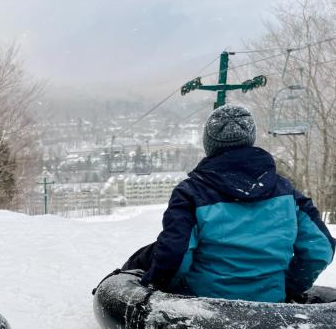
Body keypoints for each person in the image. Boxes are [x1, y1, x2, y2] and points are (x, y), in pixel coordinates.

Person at [124, 104, 335, 303]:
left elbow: (175, 254)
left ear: (209, 144)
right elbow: (320, 249)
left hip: (202, 306)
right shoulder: (288, 193)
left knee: (147, 255)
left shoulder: (191, 193)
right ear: (250, 140)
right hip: (271, 302)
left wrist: (157, 288)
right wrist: (289, 286)